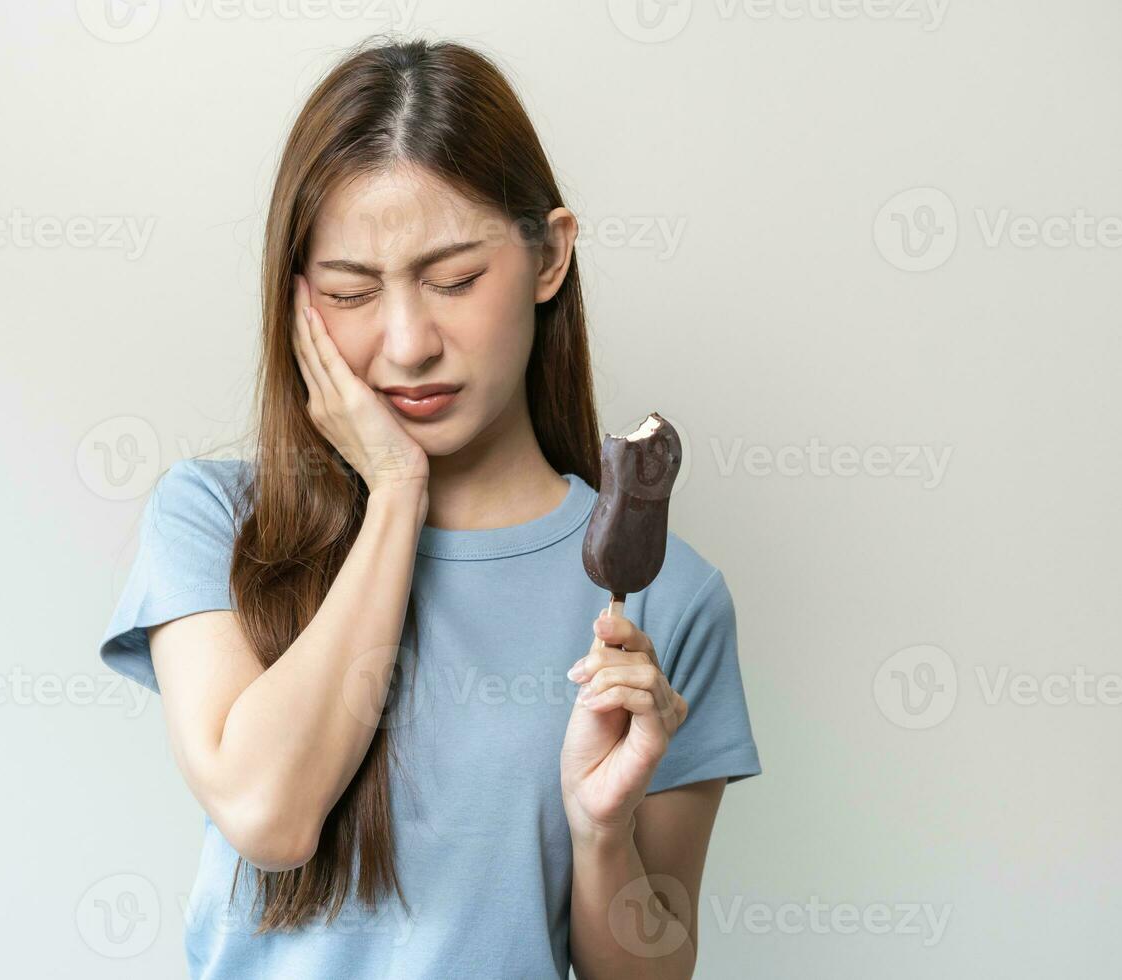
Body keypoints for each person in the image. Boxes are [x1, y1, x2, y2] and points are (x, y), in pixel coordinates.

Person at [98, 34, 761, 980]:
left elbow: (650, 971)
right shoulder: (212, 521)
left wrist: (601, 828)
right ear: (296, 303)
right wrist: (396, 491)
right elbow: (269, 817)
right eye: (351, 292)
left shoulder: (669, 598)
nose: (407, 344)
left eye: (454, 281)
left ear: (549, 256)